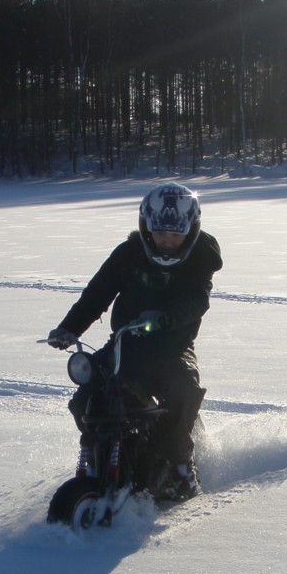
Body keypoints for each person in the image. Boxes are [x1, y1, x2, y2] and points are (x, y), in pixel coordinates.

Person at [46, 181, 222, 501]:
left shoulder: (200, 258)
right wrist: (69, 328)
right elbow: (97, 293)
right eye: (160, 232)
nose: (167, 240)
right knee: (86, 397)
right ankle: (102, 457)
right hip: (125, 344)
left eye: (175, 234)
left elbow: (197, 300)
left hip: (172, 347)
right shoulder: (128, 254)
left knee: (183, 390)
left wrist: (166, 318)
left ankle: (181, 469)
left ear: (191, 230)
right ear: (146, 226)